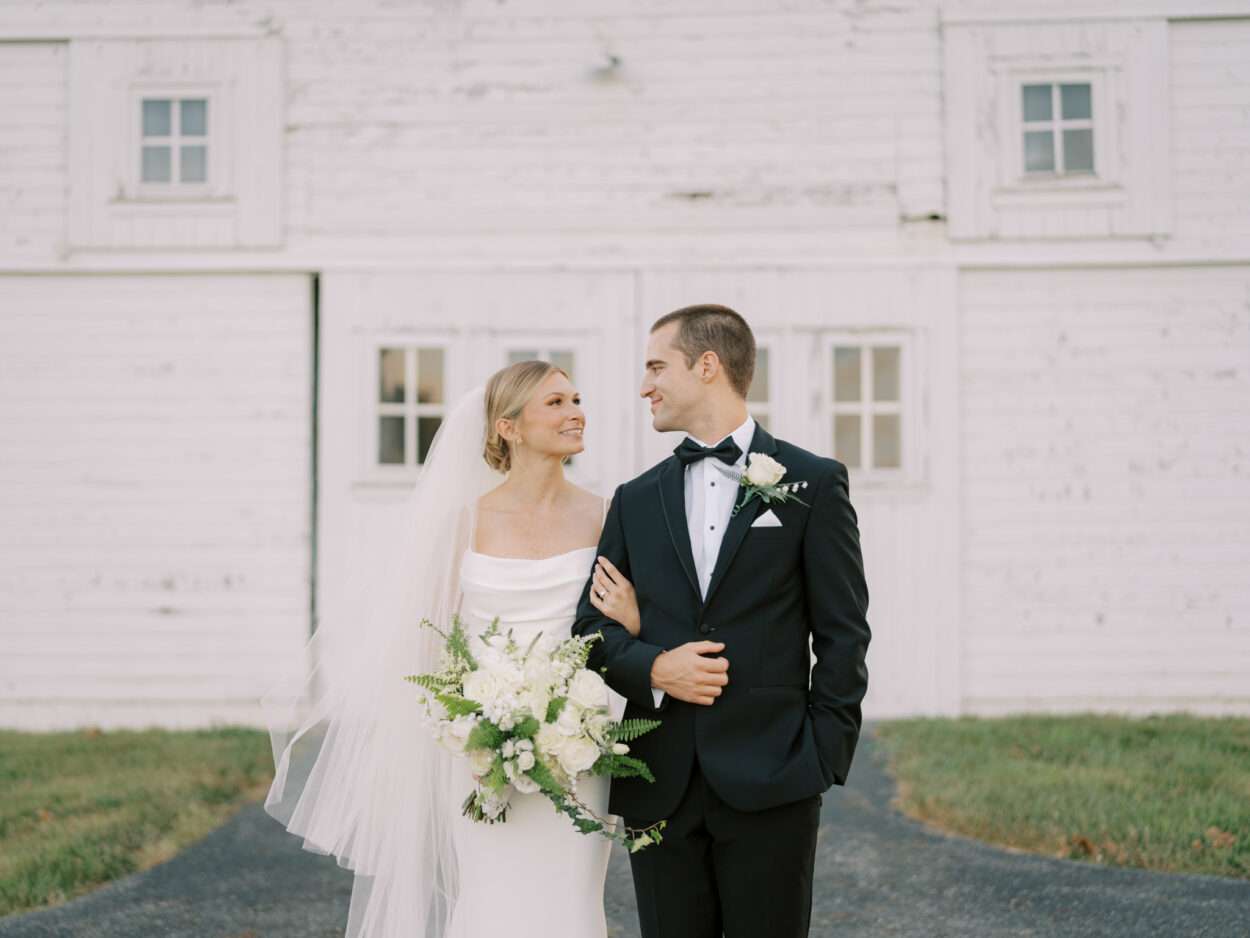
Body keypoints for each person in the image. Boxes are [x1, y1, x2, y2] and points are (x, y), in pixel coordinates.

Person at [262, 359, 643, 938]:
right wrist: (471, 719)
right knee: (490, 897)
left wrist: (634, 623)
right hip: (480, 746)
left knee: (570, 899)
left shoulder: (607, 515)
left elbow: (619, 628)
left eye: (576, 399)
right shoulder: (463, 523)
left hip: (579, 743)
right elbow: (428, 642)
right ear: (507, 428)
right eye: (556, 403)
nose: (576, 413)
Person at [572, 304, 872, 938]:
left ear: (707, 366)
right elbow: (589, 632)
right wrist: (655, 666)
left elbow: (844, 632)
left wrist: (822, 751)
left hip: (776, 774)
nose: (645, 384)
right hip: (661, 779)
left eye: (657, 366)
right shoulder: (635, 499)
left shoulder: (813, 483)